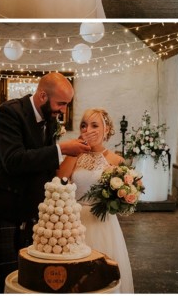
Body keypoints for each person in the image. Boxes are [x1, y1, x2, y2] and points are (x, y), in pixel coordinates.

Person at [0, 72, 91, 293]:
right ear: (43, 95)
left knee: (26, 281)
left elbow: (42, 163)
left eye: (66, 105)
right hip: (4, 209)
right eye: (61, 104)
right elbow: (13, 160)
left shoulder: (50, 121)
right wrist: (61, 149)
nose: (63, 110)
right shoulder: (9, 113)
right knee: (0, 283)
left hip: (32, 211)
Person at [56, 108, 134, 293]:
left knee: (101, 278)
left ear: (106, 130)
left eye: (94, 125)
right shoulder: (75, 156)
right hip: (74, 223)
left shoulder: (116, 160)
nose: (87, 129)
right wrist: (74, 152)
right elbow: (60, 179)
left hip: (102, 223)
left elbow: (131, 190)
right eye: (84, 125)